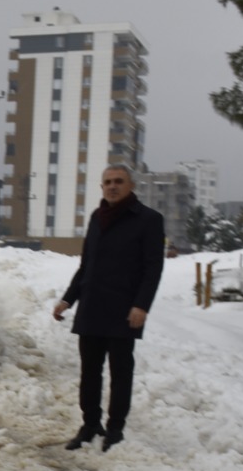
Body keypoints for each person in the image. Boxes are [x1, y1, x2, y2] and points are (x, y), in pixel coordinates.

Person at [51, 163, 164, 450]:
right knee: (90, 372)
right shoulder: (96, 218)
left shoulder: (148, 219)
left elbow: (153, 268)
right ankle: (90, 424)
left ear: (131, 186)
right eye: (108, 182)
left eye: (119, 181)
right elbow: (86, 265)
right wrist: (68, 299)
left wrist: (141, 305)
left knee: (120, 372)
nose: (112, 186)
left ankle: (115, 428)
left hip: (125, 310)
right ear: (102, 187)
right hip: (91, 307)